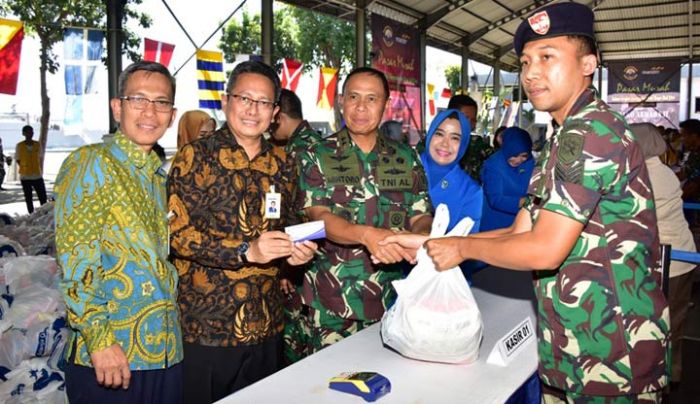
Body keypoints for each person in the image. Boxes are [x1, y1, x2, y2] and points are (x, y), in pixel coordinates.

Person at [386, 3, 669, 402]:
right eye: (525, 61)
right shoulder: (561, 137)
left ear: (589, 63)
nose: (531, 72)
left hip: (612, 349)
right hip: (573, 342)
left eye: (547, 57)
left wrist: (460, 249)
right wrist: (435, 245)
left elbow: (545, 249)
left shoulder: (591, 132)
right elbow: (522, 229)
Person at [168, 60, 317, 404]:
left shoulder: (283, 164)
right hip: (206, 329)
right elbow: (177, 235)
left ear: (275, 112)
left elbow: (292, 224)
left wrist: (298, 251)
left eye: (263, 102)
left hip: (267, 325)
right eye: (244, 99)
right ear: (226, 101)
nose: (253, 110)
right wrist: (245, 251)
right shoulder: (195, 157)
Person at [54, 61, 183, 403]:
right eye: (138, 99)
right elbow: (76, 256)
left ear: (172, 114)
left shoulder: (157, 176)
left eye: (161, 102)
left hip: (163, 351)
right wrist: (99, 339)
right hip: (113, 357)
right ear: (117, 107)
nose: (150, 112)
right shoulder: (92, 163)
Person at [297, 66, 432, 354]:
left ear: (385, 104)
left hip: (391, 299)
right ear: (341, 101)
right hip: (330, 305)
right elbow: (319, 216)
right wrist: (368, 235)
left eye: (372, 99)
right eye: (353, 97)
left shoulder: (405, 157)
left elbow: (421, 214)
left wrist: (420, 238)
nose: (361, 107)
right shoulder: (317, 154)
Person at [632, 122, 696, 389]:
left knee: (653, 326)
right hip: (684, 258)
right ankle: (673, 374)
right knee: (676, 323)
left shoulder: (642, 177)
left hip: (663, 263)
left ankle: (655, 379)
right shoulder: (666, 172)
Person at [421, 109, 482, 232]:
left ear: (463, 144)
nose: (445, 144)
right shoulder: (405, 168)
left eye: (454, 138)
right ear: (430, 135)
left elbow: (466, 245)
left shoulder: (471, 191)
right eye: (439, 134)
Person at [480, 127, 535, 232]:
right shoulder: (493, 165)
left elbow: (536, 194)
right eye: (514, 155)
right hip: (495, 225)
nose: (518, 160)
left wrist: (538, 202)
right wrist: (524, 202)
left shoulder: (529, 163)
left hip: (521, 224)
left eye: (523, 156)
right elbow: (495, 200)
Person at [448, 94, 494, 182]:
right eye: (465, 118)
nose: (469, 124)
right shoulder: (433, 145)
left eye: (473, 120)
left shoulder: (477, 144)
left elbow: (500, 159)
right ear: (450, 117)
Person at [270, 89, 322, 156]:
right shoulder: (315, 138)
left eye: (270, 120)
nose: (269, 129)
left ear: (278, 118)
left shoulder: (296, 148)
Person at [15, 125, 47, 213]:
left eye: (32, 131)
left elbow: (40, 157)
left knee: (43, 198)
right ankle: (31, 215)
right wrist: (25, 167)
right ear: (23, 133)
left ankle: (44, 214)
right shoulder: (19, 146)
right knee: (29, 199)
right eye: (28, 132)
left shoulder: (37, 145)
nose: (31, 134)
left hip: (37, 175)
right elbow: (18, 159)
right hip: (25, 177)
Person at [678, 119, 700, 201]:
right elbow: (684, 173)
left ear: (693, 136)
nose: (681, 139)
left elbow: (695, 184)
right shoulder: (693, 153)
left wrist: (677, 200)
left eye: (683, 135)